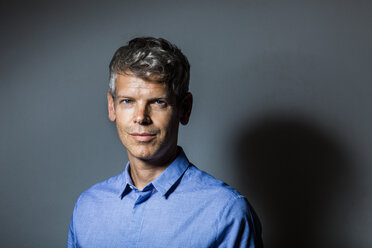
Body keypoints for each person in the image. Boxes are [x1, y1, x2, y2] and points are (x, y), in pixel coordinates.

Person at [67, 37, 263, 248]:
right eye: (128, 101)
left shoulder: (225, 212)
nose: (141, 117)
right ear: (112, 106)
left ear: (184, 109)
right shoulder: (87, 208)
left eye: (159, 102)